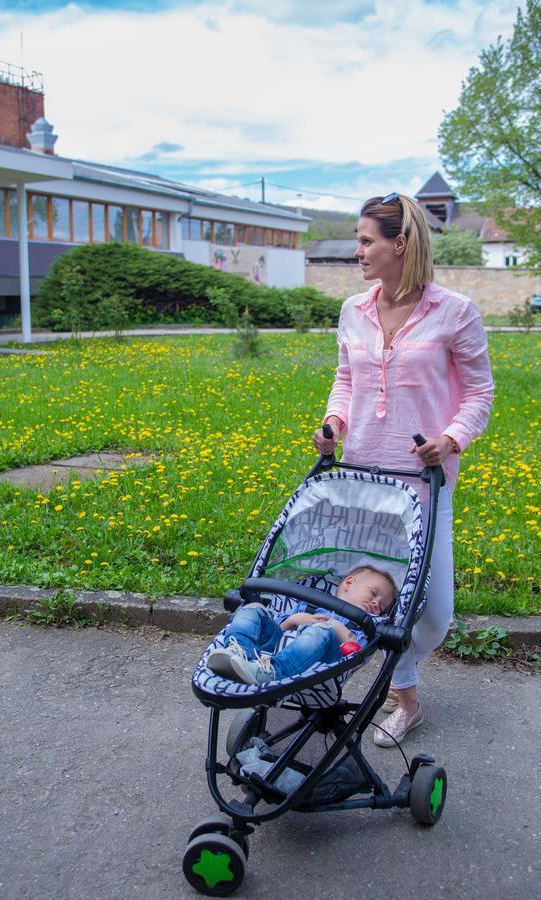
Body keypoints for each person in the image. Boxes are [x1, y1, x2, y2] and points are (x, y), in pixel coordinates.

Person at [312, 192, 494, 747]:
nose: (358, 251)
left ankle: (387, 680)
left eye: (367, 241)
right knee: (364, 598)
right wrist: (333, 421)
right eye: (358, 240)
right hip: (362, 481)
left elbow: (480, 394)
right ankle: (402, 700)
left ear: (401, 244)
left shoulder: (456, 312)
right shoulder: (353, 311)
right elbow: (346, 380)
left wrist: (451, 438)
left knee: (433, 614)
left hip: (424, 486)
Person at [207, 566, 396, 685]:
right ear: (349, 582)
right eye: (373, 593)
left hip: (322, 664)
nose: (376, 603)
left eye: (382, 606)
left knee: (320, 631)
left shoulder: (361, 625)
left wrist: (336, 627)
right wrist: (294, 620)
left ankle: (271, 673)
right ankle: (237, 651)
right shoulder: (311, 602)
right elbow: (278, 629)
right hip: (273, 647)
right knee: (253, 608)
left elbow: (356, 653)